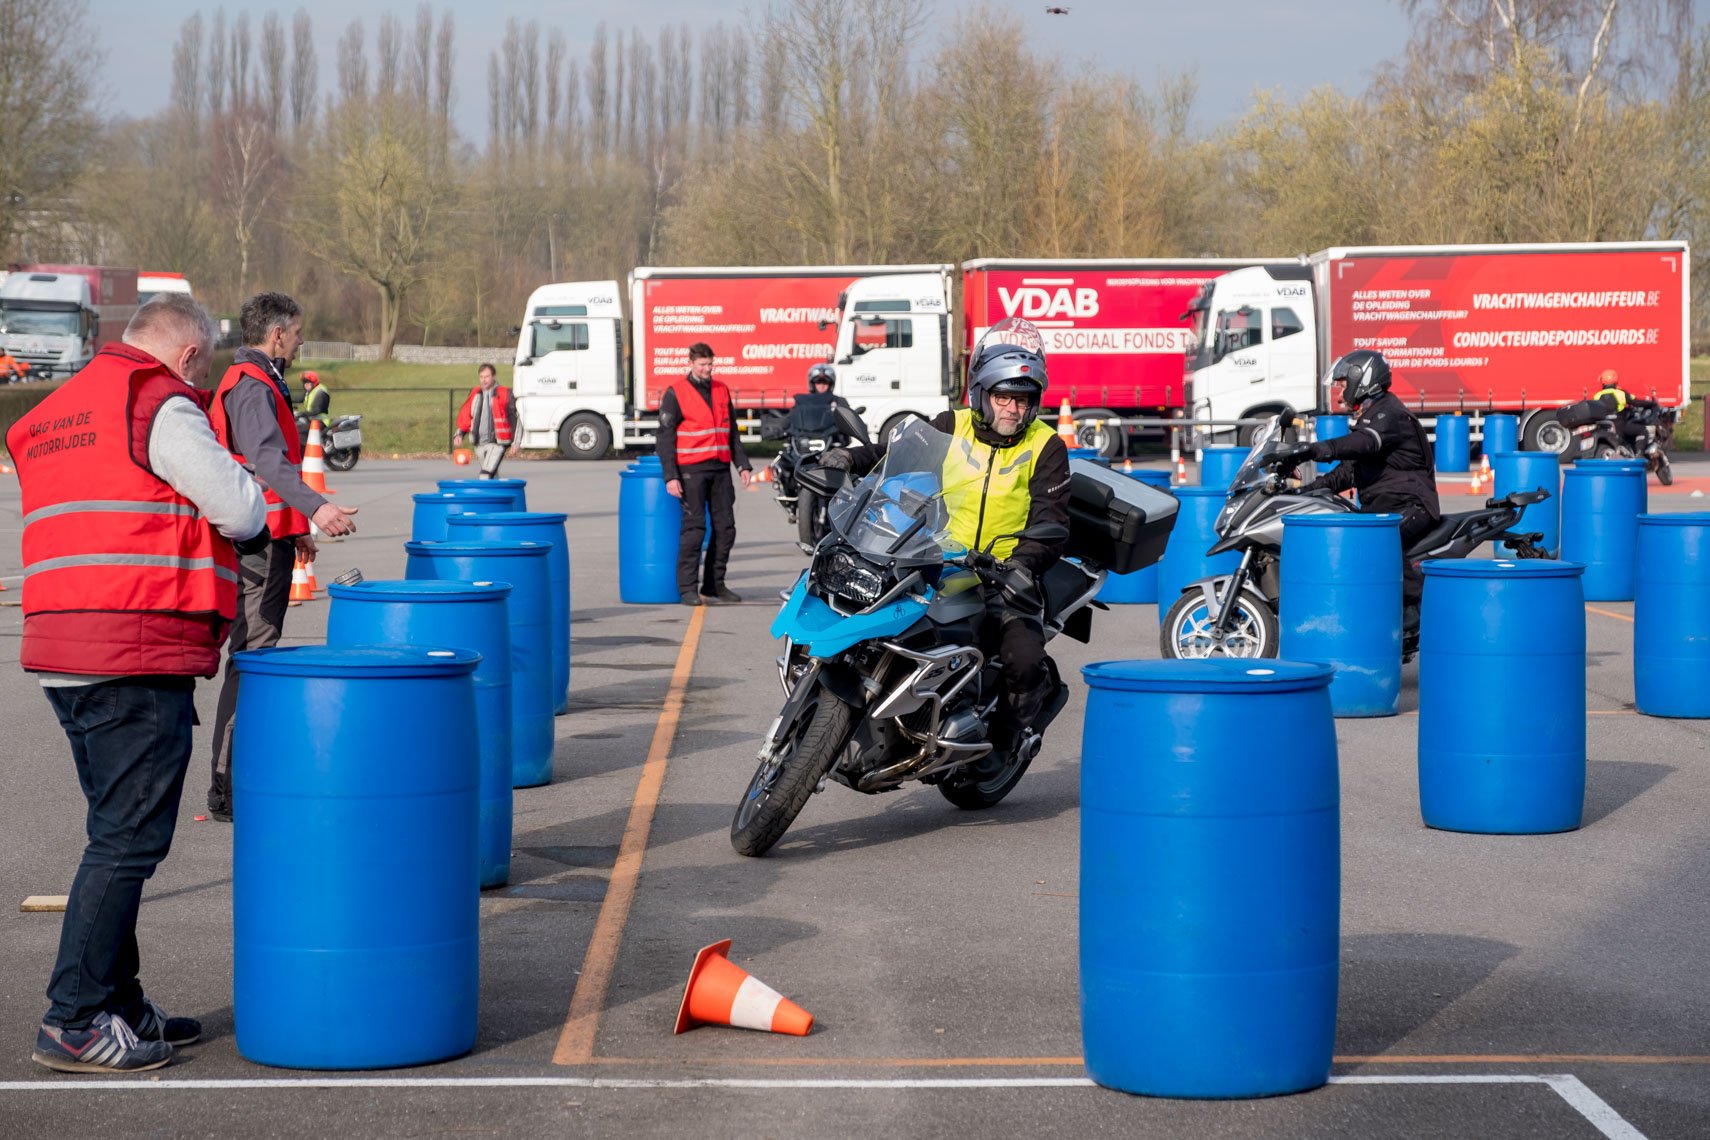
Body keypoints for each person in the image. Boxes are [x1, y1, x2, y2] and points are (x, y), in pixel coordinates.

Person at [6, 295, 267, 1073]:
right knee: (128, 841)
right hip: (136, 642)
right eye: (204, 369)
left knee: (115, 832)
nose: (203, 383)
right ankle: (75, 1017)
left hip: (66, 644)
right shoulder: (157, 401)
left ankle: (118, 1002)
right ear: (188, 355)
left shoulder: (56, 410)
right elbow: (240, 509)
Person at [819, 318, 1071, 773]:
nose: (1013, 409)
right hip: (934, 557)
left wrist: (1021, 565)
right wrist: (848, 459)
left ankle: (1005, 741)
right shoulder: (951, 425)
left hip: (1002, 574)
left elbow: (1051, 521)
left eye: (1023, 400)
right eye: (1003, 397)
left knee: (1024, 660)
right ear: (981, 394)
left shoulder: (1046, 446)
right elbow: (894, 455)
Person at [205, 292, 359, 821]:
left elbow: (268, 466)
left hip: (270, 534)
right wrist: (317, 508)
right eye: (296, 332)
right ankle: (228, 786)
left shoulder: (260, 379)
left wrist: (297, 529)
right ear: (276, 335)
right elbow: (268, 462)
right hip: (257, 543)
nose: (300, 341)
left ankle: (235, 780)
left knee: (256, 653)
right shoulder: (252, 386)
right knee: (253, 656)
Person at [1275, 349, 1441, 634]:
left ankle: (1417, 605)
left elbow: (1365, 443)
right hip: (1385, 505)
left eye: (1343, 385)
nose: (1341, 393)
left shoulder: (1389, 414)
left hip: (1411, 504)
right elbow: (1348, 472)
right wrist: (1304, 492)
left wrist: (1312, 450)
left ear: (1361, 380)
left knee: (1374, 540)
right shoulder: (1371, 416)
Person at [657, 342, 753, 605]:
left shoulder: (721, 389)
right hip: (691, 471)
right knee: (695, 530)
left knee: (726, 529)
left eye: (710, 364)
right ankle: (687, 589)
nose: (707, 369)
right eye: (702, 365)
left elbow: (731, 431)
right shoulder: (676, 393)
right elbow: (664, 437)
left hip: (720, 470)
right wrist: (670, 476)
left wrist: (742, 465)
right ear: (691, 363)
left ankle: (714, 585)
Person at [454, 363, 520, 478]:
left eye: (487, 376)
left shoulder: (505, 393)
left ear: (494, 377)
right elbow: (467, 416)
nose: (484, 380)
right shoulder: (475, 393)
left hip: (497, 444)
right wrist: (459, 434)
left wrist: (516, 442)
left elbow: (515, 420)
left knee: (485, 475)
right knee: (492, 477)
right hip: (479, 444)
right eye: (481, 377)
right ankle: (497, 489)